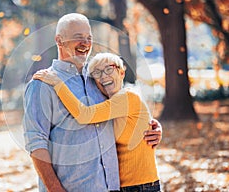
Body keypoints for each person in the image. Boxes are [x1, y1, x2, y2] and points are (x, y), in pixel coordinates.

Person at [23, 13, 162, 192]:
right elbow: (36, 143)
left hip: (114, 187)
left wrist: (151, 127)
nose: (86, 43)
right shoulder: (42, 84)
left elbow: (122, 111)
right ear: (59, 40)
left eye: (89, 37)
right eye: (78, 37)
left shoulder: (99, 80)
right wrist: (55, 189)